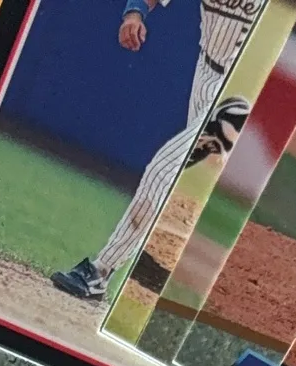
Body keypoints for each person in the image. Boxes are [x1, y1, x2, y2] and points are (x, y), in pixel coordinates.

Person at [51, 0, 261, 304]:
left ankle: (100, 271)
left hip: (240, 89)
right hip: (206, 72)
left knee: (164, 172)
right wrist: (135, 12)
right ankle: (189, 291)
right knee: (190, 185)